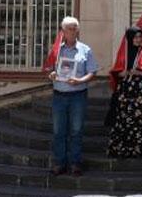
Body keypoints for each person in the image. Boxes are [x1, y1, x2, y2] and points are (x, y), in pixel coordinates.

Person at [47, 16, 98, 176]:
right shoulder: (56, 50)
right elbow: (49, 68)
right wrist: (52, 74)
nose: (73, 31)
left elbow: (92, 71)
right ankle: (60, 163)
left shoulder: (85, 50)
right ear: (63, 31)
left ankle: (75, 163)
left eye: (75, 28)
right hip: (59, 95)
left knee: (76, 130)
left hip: (78, 95)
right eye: (69, 28)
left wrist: (80, 80)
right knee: (59, 131)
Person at [106, 27, 142, 158]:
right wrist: (122, 73)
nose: (138, 40)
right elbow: (116, 71)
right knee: (123, 119)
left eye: (140, 37)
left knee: (139, 120)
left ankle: (138, 150)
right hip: (125, 92)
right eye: (135, 37)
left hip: (139, 92)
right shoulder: (124, 53)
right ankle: (122, 150)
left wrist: (139, 73)